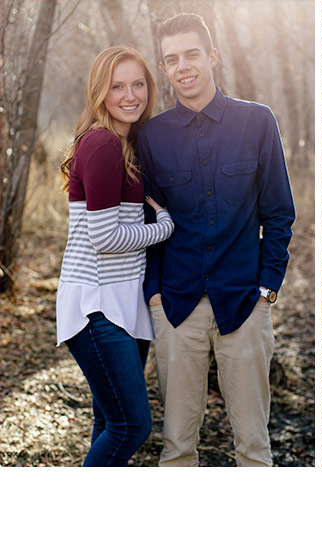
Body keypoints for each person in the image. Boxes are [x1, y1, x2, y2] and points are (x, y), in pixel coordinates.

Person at [138, 13, 295, 467]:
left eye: (191, 54)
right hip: (176, 306)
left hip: (245, 302)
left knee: (253, 446)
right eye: (172, 59)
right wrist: (153, 293)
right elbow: (147, 222)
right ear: (164, 69)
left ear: (212, 57)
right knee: (177, 448)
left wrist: (267, 288)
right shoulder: (152, 136)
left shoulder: (257, 122)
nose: (183, 66)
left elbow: (280, 213)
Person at [56, 46, 175, 466]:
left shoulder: (127, 144)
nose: (130, 95)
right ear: (100, 92)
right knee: (131, 426)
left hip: (122, 301)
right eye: (117, 86)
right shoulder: (103, 143)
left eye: (138, 84)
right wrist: (162, 229)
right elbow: (104, 237)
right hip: (97, 305)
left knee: (108, 423)